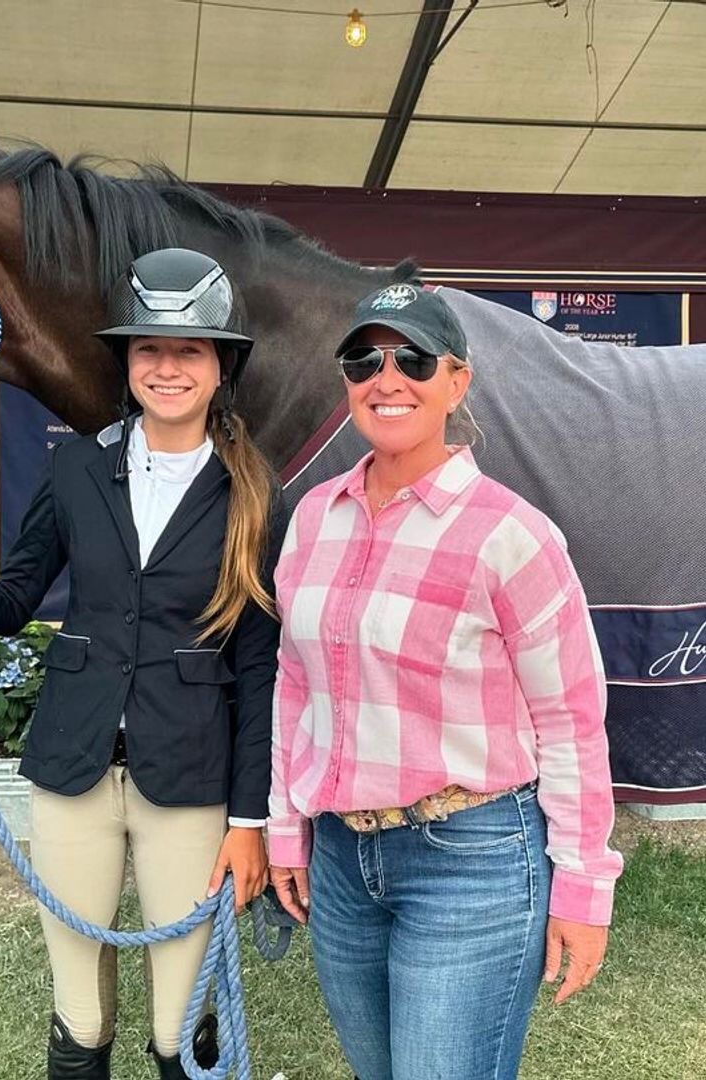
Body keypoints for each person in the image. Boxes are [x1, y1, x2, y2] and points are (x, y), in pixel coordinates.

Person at [0, 248, 281, 1079]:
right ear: (125, 361)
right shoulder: (78, 465)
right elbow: (15, 597)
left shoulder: (254, 492)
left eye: (189, 349)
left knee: (176, 1021)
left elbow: (260, 668)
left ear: (221, 364)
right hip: (72, 769)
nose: (167, 367)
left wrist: (249, 821)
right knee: (81, 1014)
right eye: (148, 349)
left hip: (191, 778)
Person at [267, 283, 623, 1080]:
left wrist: (584, 887)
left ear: (457, 381)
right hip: (339, 860)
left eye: (413, 359)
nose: (386, 378)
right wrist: (286, 826)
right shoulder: (313, 517)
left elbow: (571, 724)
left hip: (474, 862)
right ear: (346, 382)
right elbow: (296, 685)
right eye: (364, 359)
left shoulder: (513, 535)